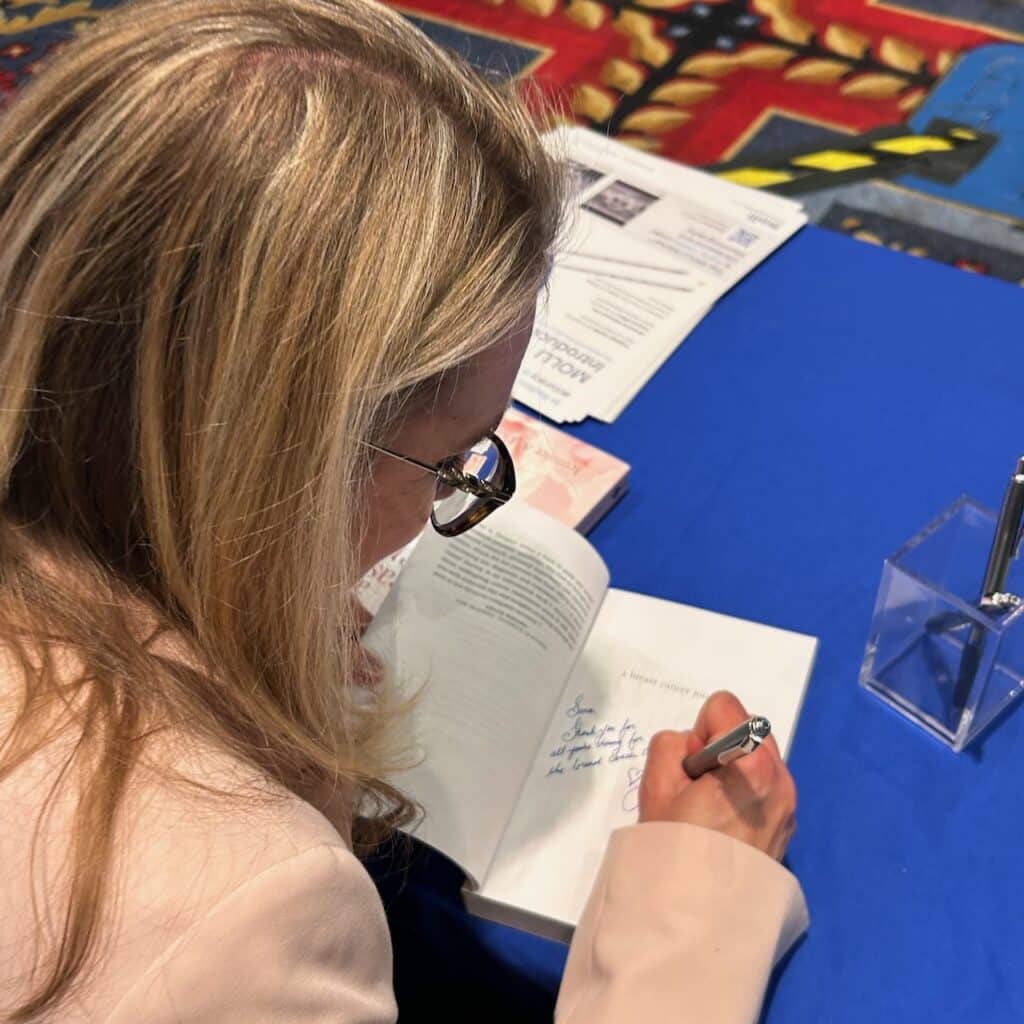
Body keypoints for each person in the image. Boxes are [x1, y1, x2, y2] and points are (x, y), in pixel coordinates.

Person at [0, 0, 807, 1020]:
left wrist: (230, 606)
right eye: (441, 465)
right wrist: (694, 915)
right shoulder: (248, 907)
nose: (438, 505)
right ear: (268, 471)